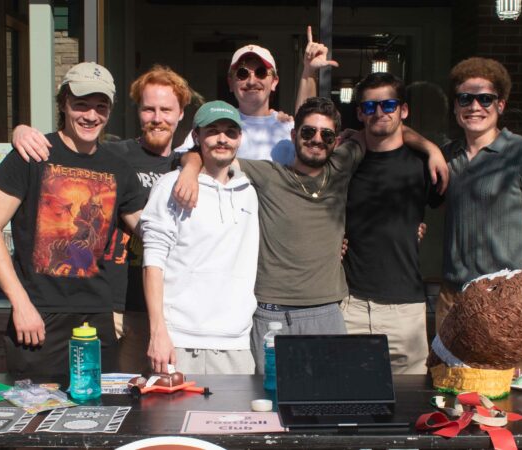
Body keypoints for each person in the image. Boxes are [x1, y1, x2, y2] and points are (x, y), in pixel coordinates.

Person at [181, 96, 448, 374]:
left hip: (328, 312)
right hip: (270, 315)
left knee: (327, 405)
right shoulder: (267, 175)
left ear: (336, 141)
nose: (317, 139)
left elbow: (385, 127)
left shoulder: (341, 167)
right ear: (294, 135)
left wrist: (431, 149)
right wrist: (189, 168)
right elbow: (215, 154)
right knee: (270, 403)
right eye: (308, 132)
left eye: (326, 134)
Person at [11, 65, 197, 374]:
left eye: (166, 109)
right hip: (117, 304)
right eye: (149, 108)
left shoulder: (188, 163)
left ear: (181, 115)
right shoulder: (115, 156)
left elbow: (207, 155)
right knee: (115, 395)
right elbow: (71, 151)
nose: (157, 117)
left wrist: (192, 166)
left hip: (172, 305)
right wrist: (20, 131)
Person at [0, 62, 145, 380]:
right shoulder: (33, 154)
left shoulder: (118, 167)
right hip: (39, 316)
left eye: (100, 106)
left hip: (97, 319)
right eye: (81, 104)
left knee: (97, 419)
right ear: (63, 104)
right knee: (34, 421)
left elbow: (147, 230)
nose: (91, 115)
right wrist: (21, 303)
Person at [436, 57, 522, 331]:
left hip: (508, 297)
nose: (474, 107)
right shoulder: (447, 156)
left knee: (513, 376)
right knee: (449, 375)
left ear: (500, 105)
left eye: (485, 99)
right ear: (455, 106)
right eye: (465, 99)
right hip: (453, 298)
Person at [141, 101, 259, 374]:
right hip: (179, 342)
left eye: (230, 132)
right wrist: (158, 332)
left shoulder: (249, 191)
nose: (222, 139)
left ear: (239, 138)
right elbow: (153, 261)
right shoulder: (172, 185)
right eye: (213, 131)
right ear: (196, 136)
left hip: (237, 345)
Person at [341, 73, 440, 375]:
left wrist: (432, 149)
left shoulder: (426, 164)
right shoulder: (345, 161)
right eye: (370, 107)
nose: (380, 113)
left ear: (403, 110)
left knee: (410, 411)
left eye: (389, 105)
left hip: (405, 310)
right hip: (350, 305)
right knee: (346, 405)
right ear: (360, 113)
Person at [175, 26, 338, 166]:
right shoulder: (215, 125)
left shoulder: (288, 128)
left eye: (261, 72)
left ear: (274, 82)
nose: (252, 81)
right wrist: (191, 167)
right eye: (242, 73)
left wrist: (308, 72)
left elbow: (308, 115)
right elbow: (181, 156)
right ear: (231, 83)